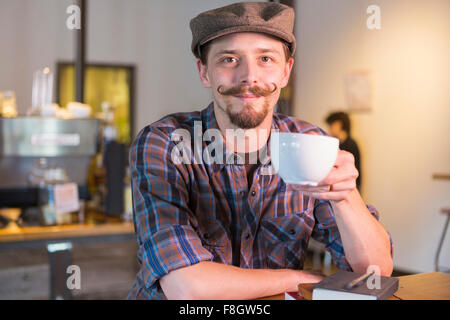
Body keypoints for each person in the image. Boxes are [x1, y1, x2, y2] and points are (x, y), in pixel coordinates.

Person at [128, 2, 393, 300]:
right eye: (229, 59)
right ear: (204, 72)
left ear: (285, 72)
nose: (249, 77)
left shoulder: (308, 141)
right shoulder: (165, 142)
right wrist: (304, 279)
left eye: (266, 58)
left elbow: (376, 272)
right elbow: (187, 288)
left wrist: (346, 196)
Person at [325, 112, 362, 190]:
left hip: (350, 188)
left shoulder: (350, 145)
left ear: (339, 124)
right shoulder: (339, 144)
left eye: (331, 125)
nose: (329, 129)